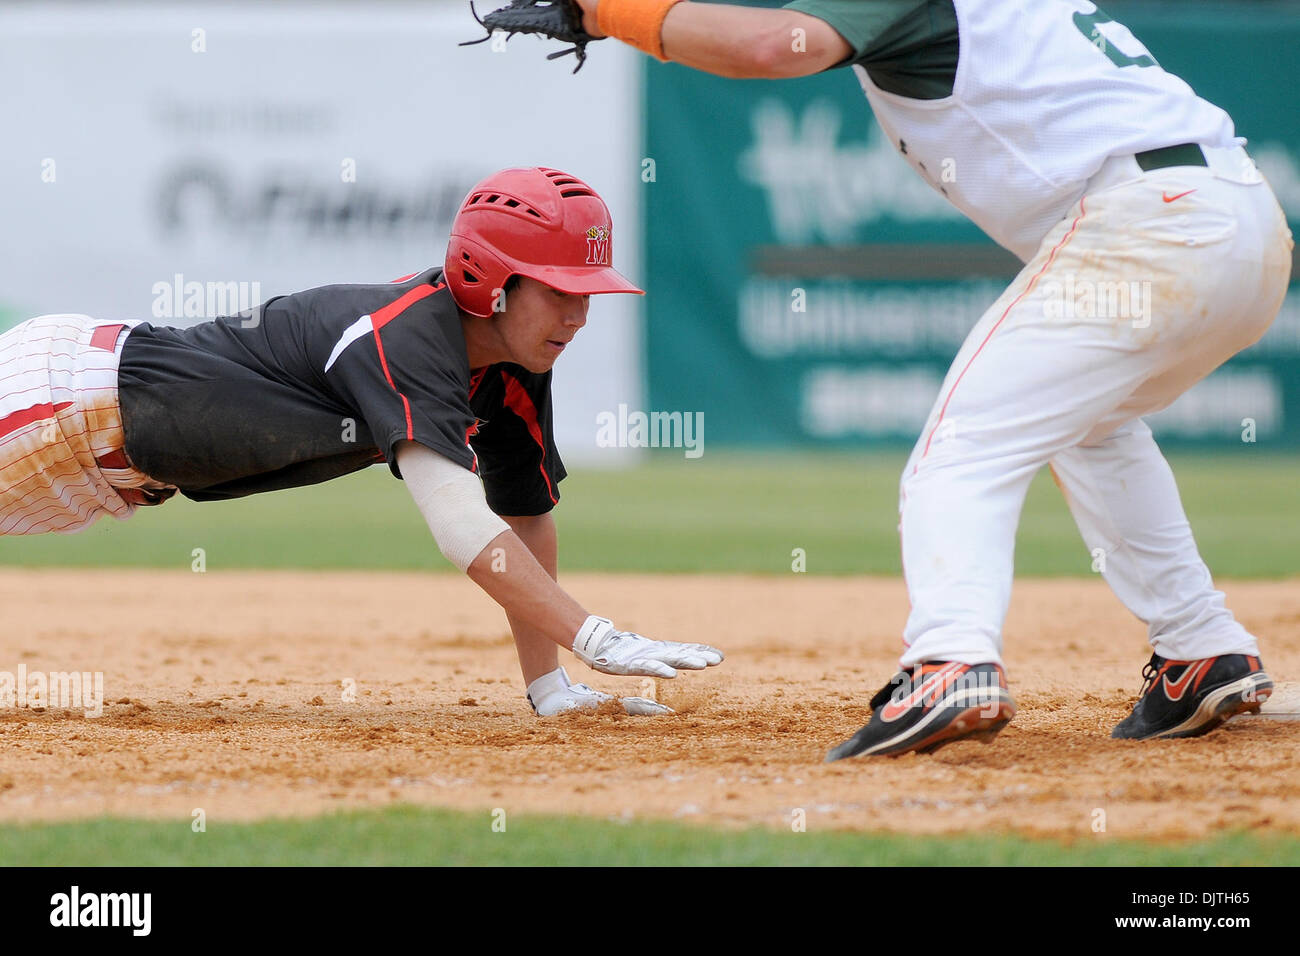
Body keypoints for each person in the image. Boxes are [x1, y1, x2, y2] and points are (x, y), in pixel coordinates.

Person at [572, 0, 1293, 755]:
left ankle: (950, 661)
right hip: (1240, 221)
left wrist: (608, 11)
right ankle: (1199, 647)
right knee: (1092, 427)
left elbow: (769, 45)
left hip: (1153, 221)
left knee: (964, 445)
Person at [0, 165, 723, 717]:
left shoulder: (511, 365)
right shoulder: (406, 335)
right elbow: (462, 524)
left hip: (101, 474)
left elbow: (523, 516)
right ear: (492, 283)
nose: (580, 314)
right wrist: (598, 637)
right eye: (560, 289)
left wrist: (550, 684)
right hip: (65, 399)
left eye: (588, 291)